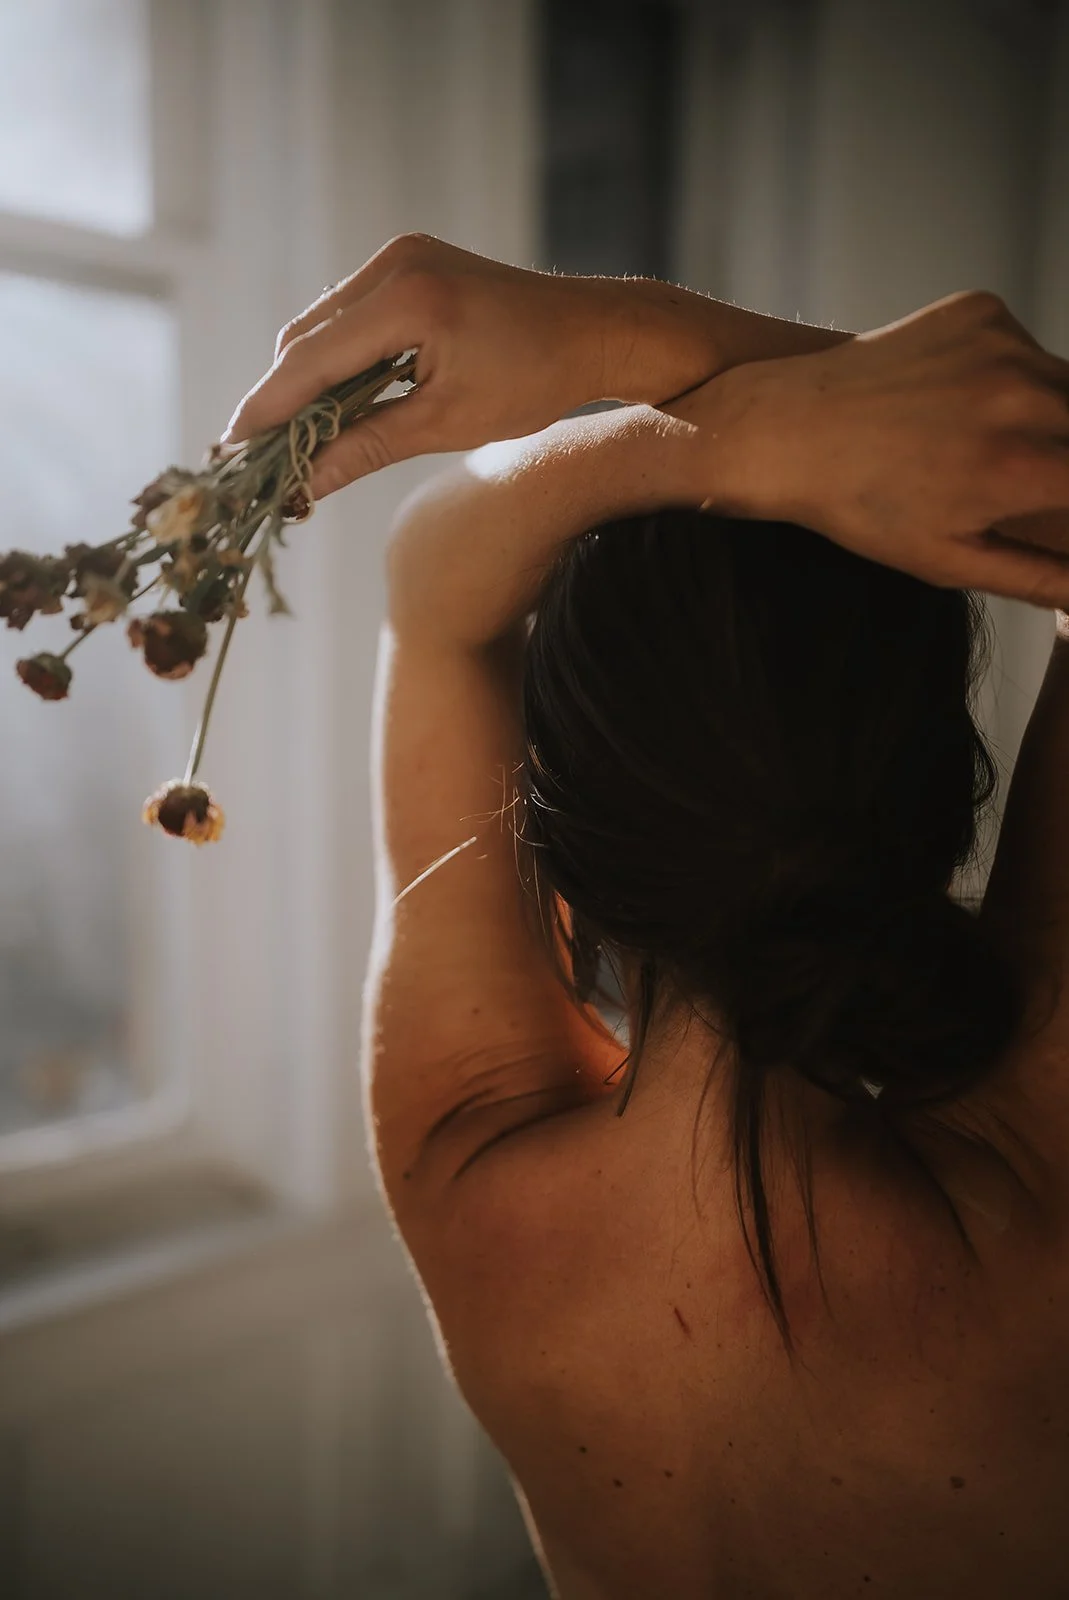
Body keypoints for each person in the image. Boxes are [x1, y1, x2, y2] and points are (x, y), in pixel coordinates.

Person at [223, 235, 1069, 1599]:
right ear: (934, 795)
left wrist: (740, 432)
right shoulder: (1034, 1209)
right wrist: (624, 340)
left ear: (557, 830)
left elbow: (432, 587)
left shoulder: (471, 1164)